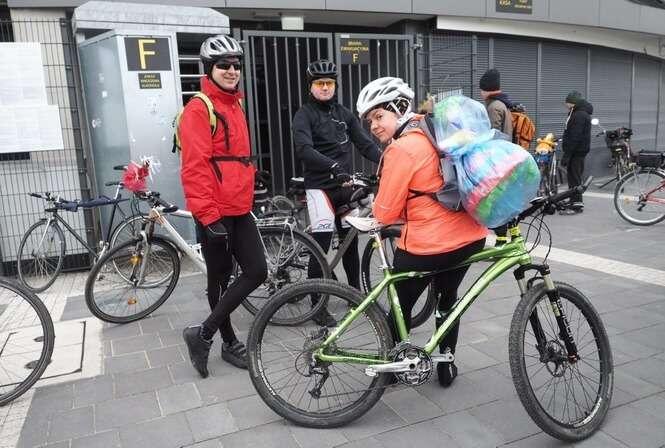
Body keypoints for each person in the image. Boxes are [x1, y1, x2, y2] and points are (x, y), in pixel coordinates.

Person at [357, 77, 487, 387]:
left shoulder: (402, 148)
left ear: (400, 107)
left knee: (401, 303)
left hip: (427, 246)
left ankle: (389, 371)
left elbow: (385, 214)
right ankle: (446, 365)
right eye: (369, 120)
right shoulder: (441, 131)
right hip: (469, 237)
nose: (373, 126)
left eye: (379, 116)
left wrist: (381, 206)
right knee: (448, 298)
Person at [179, 34, 267, 378]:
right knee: (219, 279)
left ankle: (201, 333)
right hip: (215, 211)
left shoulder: (235, 105)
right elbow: (195, 167)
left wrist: (253, 175)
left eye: (236, 65)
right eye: (223, 65)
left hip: (239, 206)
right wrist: (207, 216)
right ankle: (228, 342)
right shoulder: (198, 109)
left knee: (257, 270)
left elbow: (233, 158)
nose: (231, 71)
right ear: (209, 69)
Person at [292, 59, 382, 327]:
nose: (325, 87)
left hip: (344, 188)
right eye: (320, 83)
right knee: (319, 247)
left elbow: (365, 144)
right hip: (320, 188)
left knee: (350, 242)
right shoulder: (304, 114)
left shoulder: (344, 114)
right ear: (311, 86)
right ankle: (317, 305)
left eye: (329, 83)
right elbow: (304, 149)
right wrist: (332, 166)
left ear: (335, 85)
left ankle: (354, 294)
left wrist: (388, 160)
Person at [479, 68, 514, 245]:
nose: (480, 92)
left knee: (496, 201)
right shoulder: (502, 104)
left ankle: (501, 241)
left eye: (481, 89)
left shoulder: (494, 107)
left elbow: (492, 135)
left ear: (487, 89)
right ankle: (511, 235)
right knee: (503, 199)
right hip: (504, 157)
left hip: (496, 160)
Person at [561, 90, 593, 214]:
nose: (565, 104)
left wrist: (567, 155)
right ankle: (573, 200)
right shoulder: (577, 113)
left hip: (576, 151)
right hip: (578, 151)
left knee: (575, 178)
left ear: (573, 103)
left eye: (567, 102)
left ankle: (577, 204)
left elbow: (575, 136)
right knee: (573, 177)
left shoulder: (579, 115)